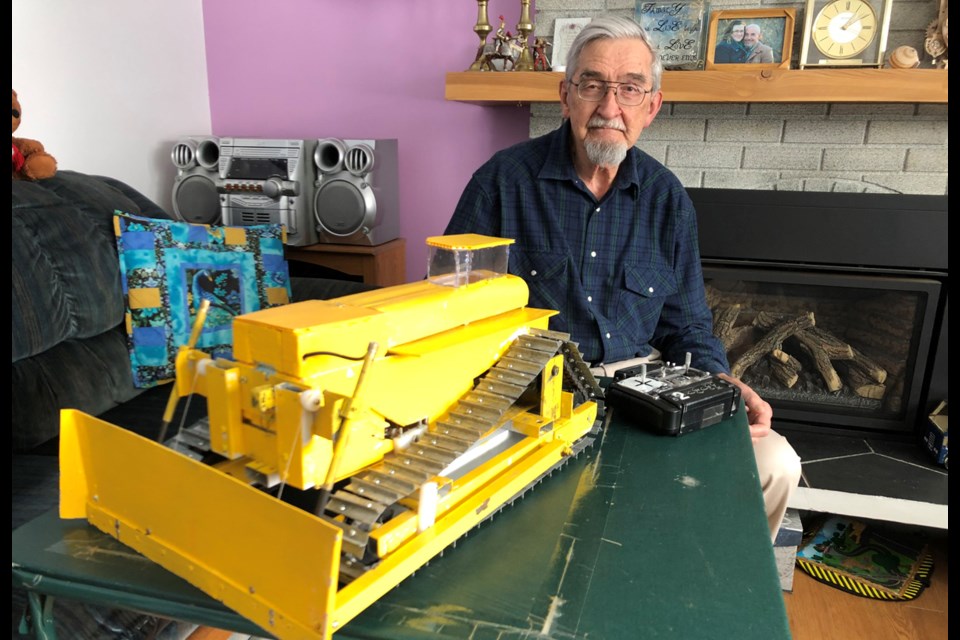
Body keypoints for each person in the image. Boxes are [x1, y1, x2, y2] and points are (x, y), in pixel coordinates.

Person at [444, 14, 801, 542]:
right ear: (566, 96)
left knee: (777, 463)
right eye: (592, 85)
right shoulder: (501, 182)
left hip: (644, 394)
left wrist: (719, 379)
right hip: (531, 397)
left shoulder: (667, 199)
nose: (609, 108)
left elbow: (688, 325)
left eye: (629, 89)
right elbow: (449, 307)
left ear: (651, 106)